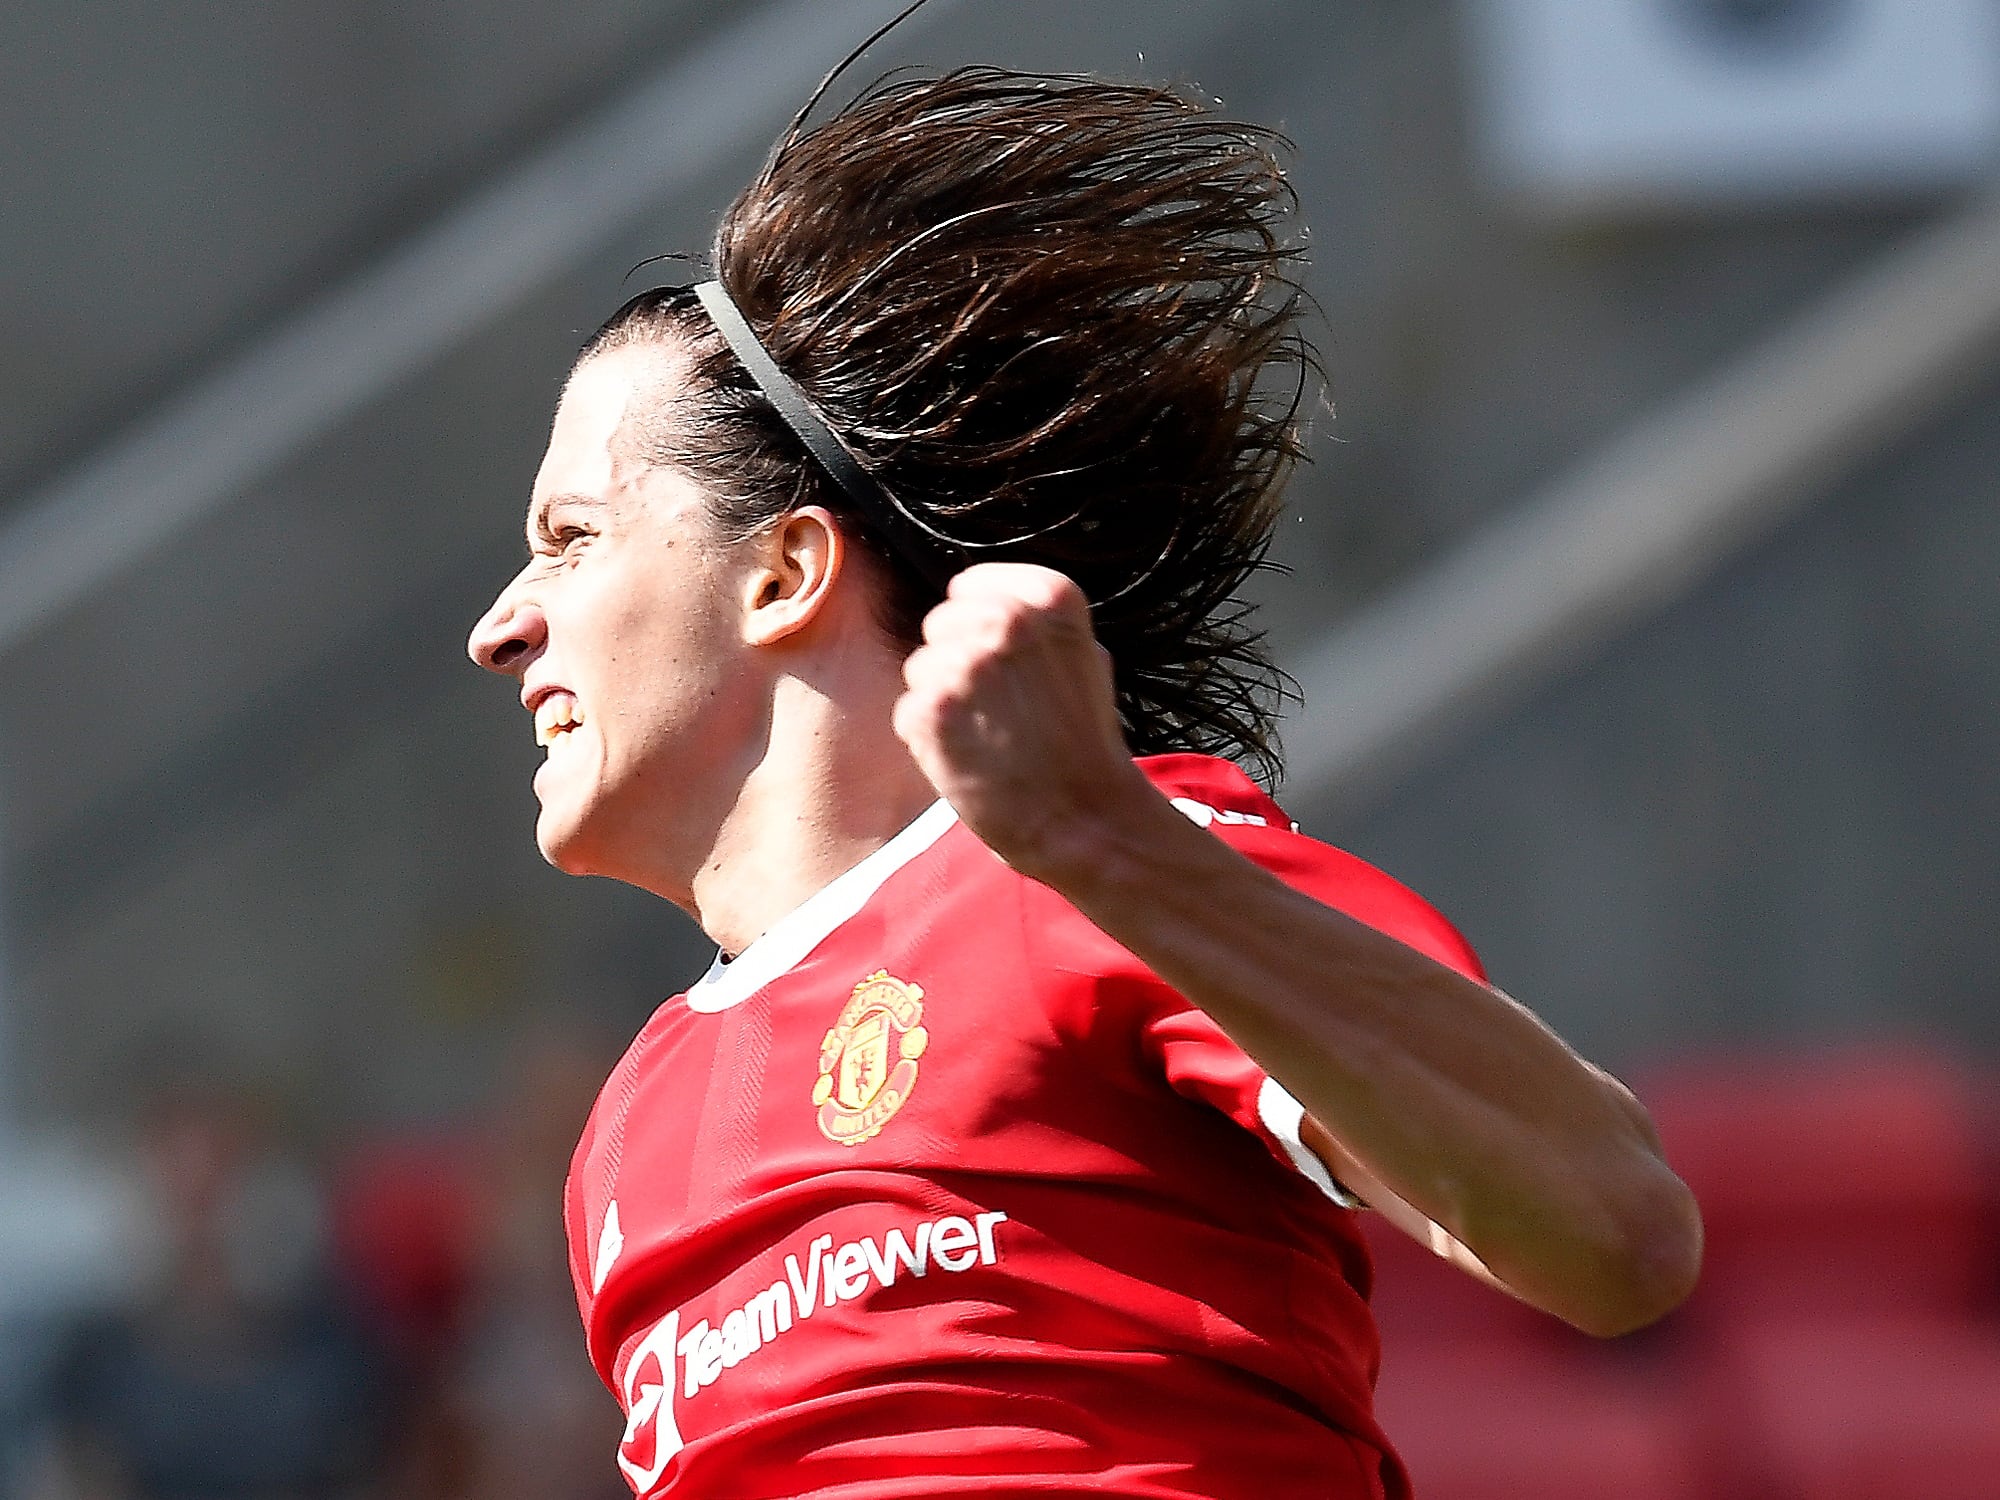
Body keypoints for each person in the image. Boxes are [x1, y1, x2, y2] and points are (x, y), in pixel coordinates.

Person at [466, 61, 1702, 1500]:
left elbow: (1617, 1233)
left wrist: (1107, 846)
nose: (500, 625)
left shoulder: (1098, 870)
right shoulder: (630, 1130)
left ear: (787, 570)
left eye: (572, 536)